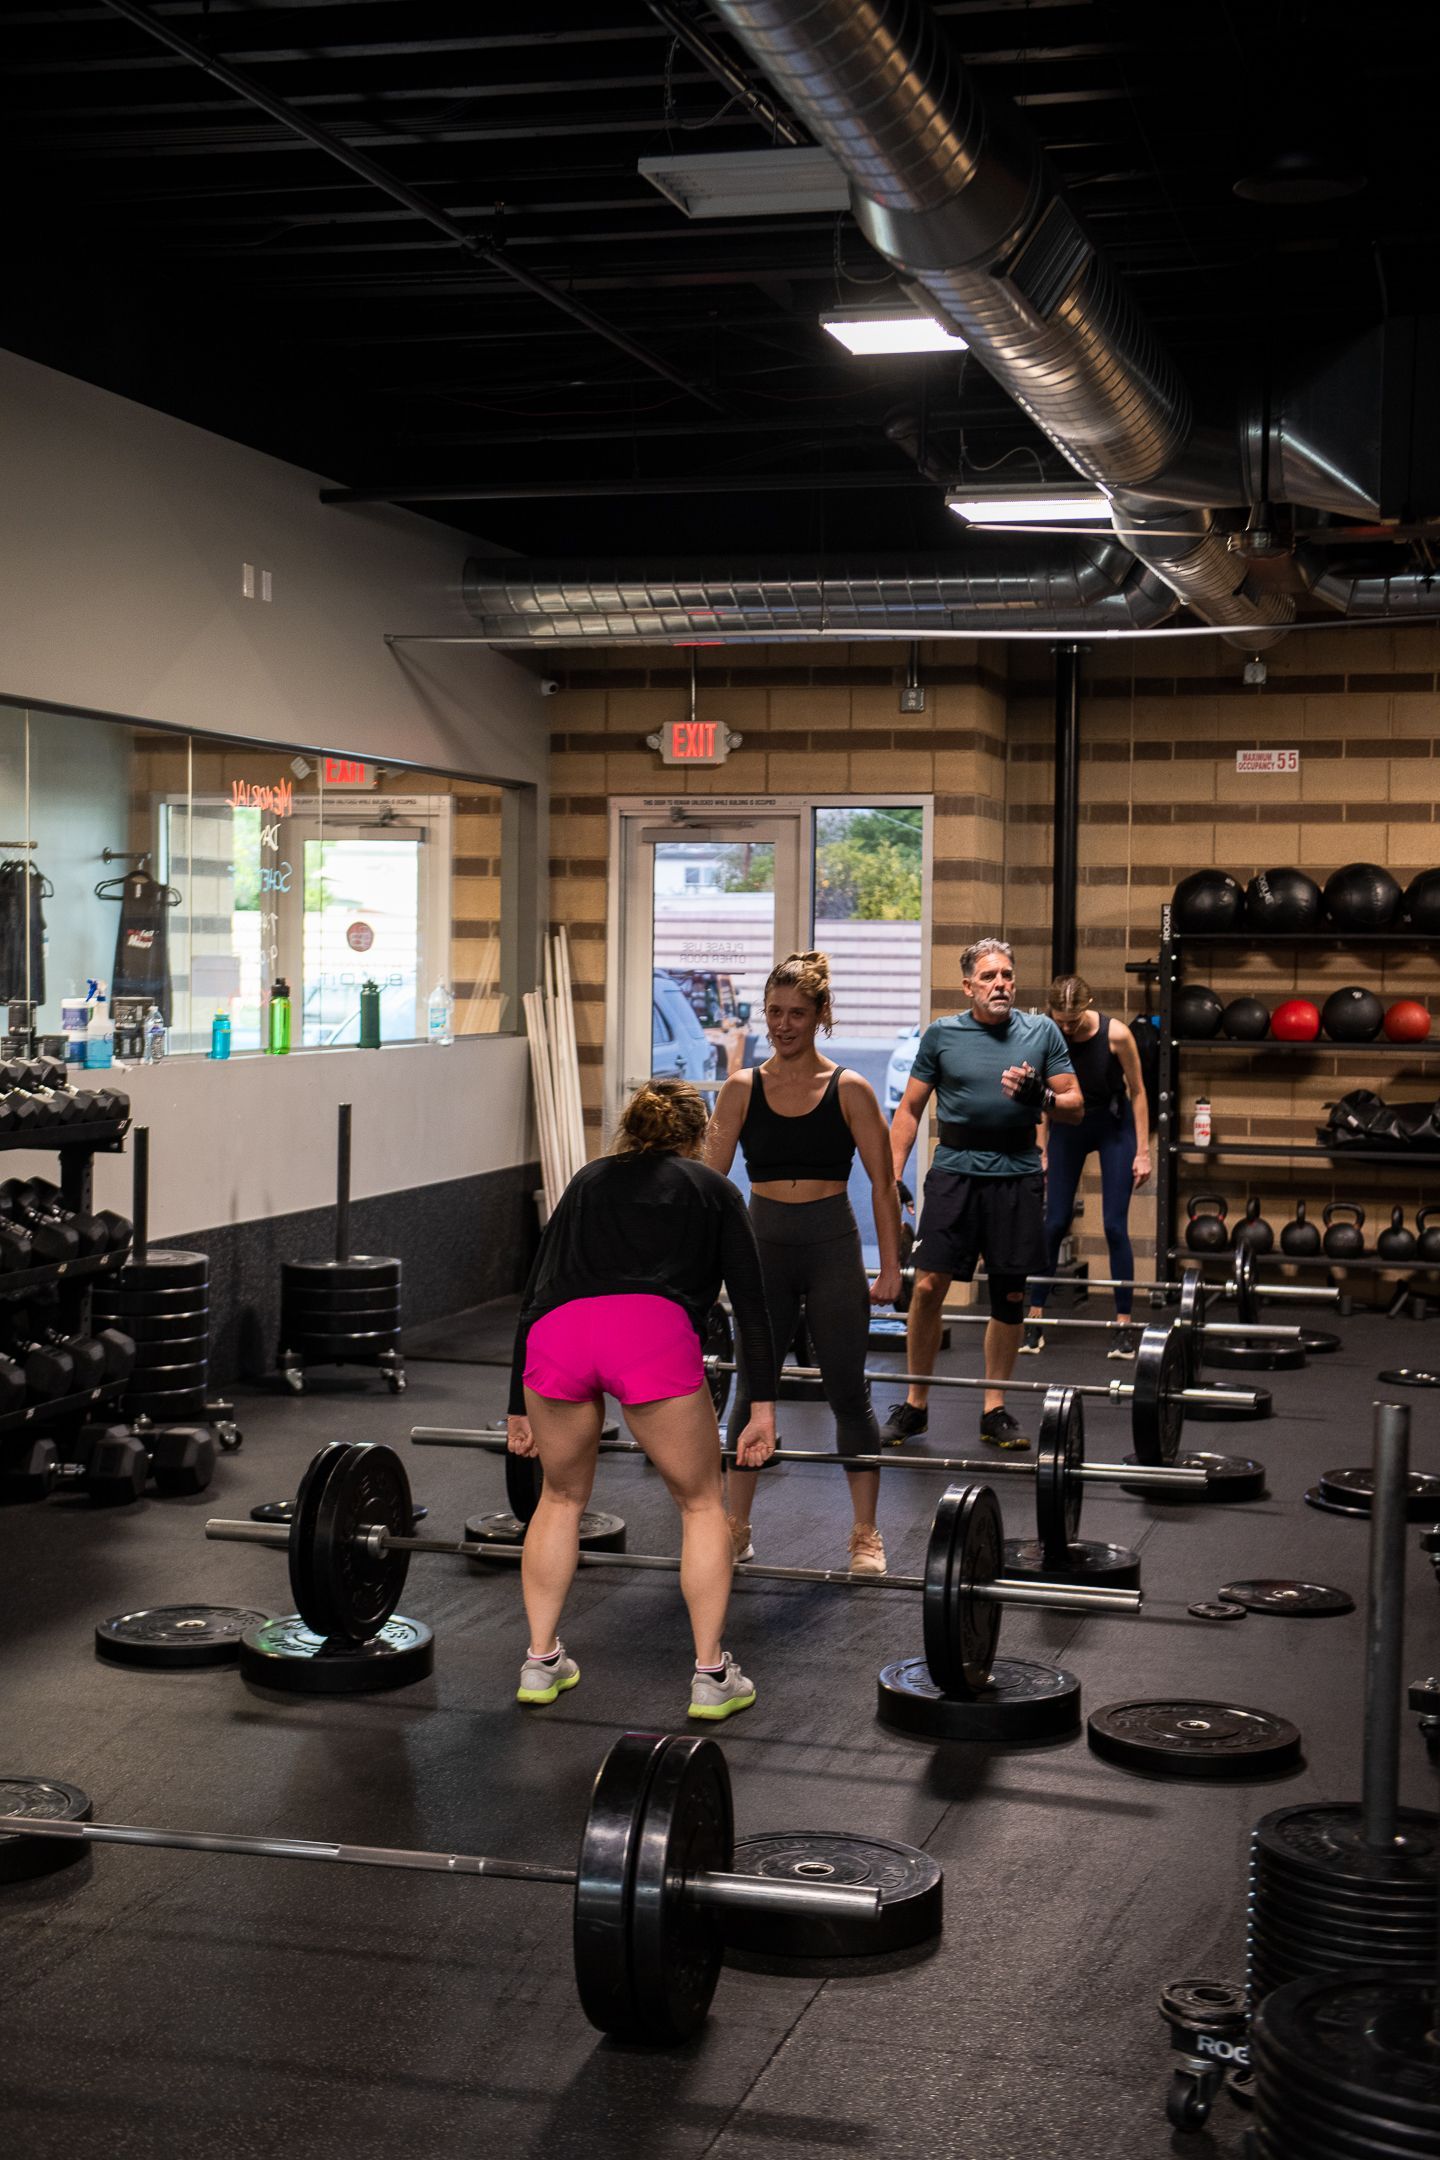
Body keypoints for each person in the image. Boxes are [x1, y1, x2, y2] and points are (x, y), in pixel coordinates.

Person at [506, 1078, 777, 1720]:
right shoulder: (715, 1189)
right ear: (698, 1135)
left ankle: (540, 1661)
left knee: (560, 1497)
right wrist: (761, 1405)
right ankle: (711, 1675)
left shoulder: (586, 1180)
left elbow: (533, 1290)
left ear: (631, 1128)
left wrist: (514, 1403)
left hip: (559, 1334)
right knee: (701, 1504)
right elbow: (753, 1310)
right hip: (647, 1333)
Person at [705, 951, 903, 1574]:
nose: (783, 1024)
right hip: (763, 1248)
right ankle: (735, 1527)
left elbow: (883, 1185)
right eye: (774, 1012)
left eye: (796, 1013)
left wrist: (891, 1268)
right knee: (750, 1388)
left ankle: (865, 1534)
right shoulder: (742, 1088)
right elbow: (707, 1185)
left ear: (821, 1015)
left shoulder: (850, 1088)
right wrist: (696, 1265)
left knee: (847, 1389)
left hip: (830, 1247)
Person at [882, 938, 1082, 1450]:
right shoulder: (942, 1035)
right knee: (927, 1288)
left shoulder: (1041, 1033)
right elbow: (909, 1109)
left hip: (1016, 1175)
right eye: (990, 977)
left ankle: (994, 1410)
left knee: (1009, 1295)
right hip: (955, 1174)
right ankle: (915, 1404)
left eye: (1008, 976)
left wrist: (1042, 1096)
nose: (1001, 985)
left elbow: (1075, 1104)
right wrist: (891, 1174)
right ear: (967, 985)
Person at [1020, 975, 1152, 1360]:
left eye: (1072, 1021)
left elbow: (1139, 1091)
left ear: (1087, 1005)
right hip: (1067, 1126)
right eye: (1059, 1019)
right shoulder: (1047, 1034)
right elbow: (1043, 1096)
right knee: (1054, 1221)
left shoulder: (1117, 1035)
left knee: (1114, 1224)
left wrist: (1143, 1151)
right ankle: (1036, 1317)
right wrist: (1042, 1150)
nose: (1065, 1027)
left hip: (1112, 1126)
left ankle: (1123, 1326)